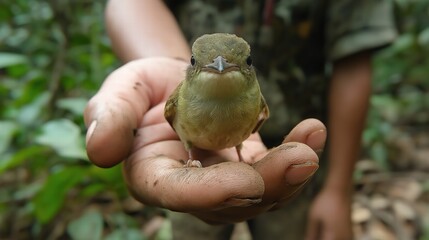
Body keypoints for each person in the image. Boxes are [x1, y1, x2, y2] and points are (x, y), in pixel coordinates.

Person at [84, 0, 397, 239]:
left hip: (297, 152)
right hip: (192, 162)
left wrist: (338, 191)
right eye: (200, 63)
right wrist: (189, 155)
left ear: (250, 68)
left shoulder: (255, 104)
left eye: (239, 63)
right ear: (191, 68)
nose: (220, 67)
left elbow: (355, 60)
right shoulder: (178, 100)